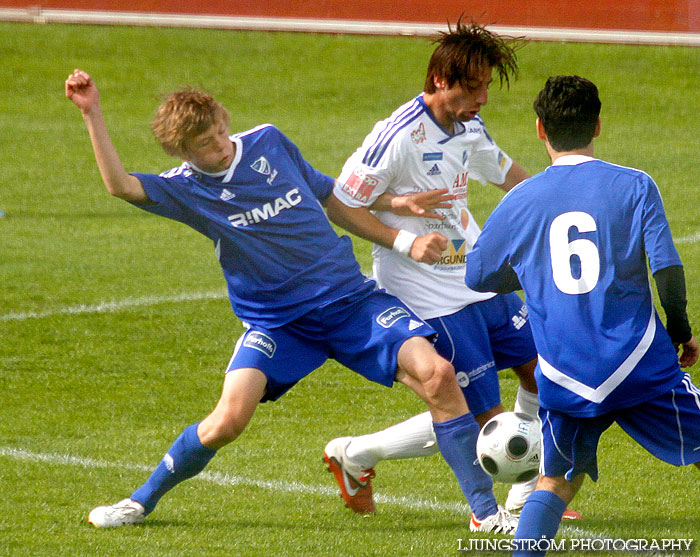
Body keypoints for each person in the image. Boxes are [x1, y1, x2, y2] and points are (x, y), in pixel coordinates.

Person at [64, 69, 496, 530]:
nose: (221, 145)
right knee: (226, 422)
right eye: (207, 143)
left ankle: (486, 514)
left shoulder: (269, 141)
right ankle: (139, 502)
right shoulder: (186, 189)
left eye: (221, 132)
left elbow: (329, 194)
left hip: (351, 303)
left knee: (438, 375)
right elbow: (121, 186)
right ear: (183, 151)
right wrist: (92, 112)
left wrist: (393, 213)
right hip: (279, 325)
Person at [322, 20, 547, 533]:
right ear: (442, 80)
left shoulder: (469, 126)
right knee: (481, 414)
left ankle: (517, 487)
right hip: (427, 293)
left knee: (539, 370)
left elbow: (508, 174)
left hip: (478, 276)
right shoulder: (396, 135)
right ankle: (485, 508)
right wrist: (404, 230)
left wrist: (553, 201)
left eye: (488, 85)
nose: (484, 97)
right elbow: (339, 201)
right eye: (475, 86)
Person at [464, 75, 700, 555]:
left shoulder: (520, 199)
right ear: (597, 124)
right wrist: (682, 332)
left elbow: (477, 275)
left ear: (539, 129)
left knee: (554, 481)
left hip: (564, 373)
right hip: (638, 363)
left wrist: (535, 272)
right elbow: (668, 270)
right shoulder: (634, 185)